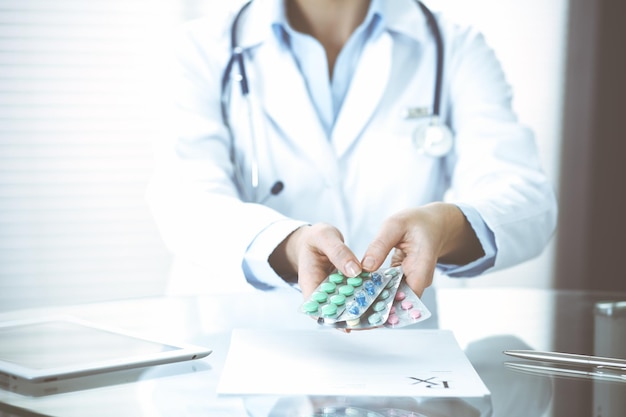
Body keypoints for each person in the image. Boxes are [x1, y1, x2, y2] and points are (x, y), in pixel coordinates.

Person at [146, 0, 558, 304]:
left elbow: (528, 199)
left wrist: (447, 226)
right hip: (235, 338)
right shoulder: (200, 50)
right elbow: (185, 201)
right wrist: (286, 245)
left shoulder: (455, 48)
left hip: (398, 353)